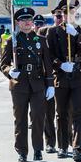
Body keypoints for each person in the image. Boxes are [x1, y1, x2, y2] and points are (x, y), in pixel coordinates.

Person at [0, 7, 55, 162]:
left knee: (38, 117)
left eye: (29, 20)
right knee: (20, 120)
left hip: (38, 84)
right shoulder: (12, 41)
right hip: (19, 85)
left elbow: (48, 64)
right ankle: (22, 152)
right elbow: (3, 64)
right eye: (24, 20)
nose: (27, 23)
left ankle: (38, 149)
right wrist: (10, 71)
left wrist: (50, 84)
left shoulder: (41, 40)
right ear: (17, 22)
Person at [46, 0, 81, 162]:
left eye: (72, 12)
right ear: (62, 14)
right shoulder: (52, 32)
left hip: (79, 75)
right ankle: (62, 146)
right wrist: (59, 64)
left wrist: (77, 35)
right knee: (61, 113)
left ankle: (77, 148)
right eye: (65, 13)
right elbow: (49, 55)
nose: (68, 16)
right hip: (62, 75)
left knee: (78, 113)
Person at [34, 15, 57, 154]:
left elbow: (49, 61)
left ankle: (53, 142)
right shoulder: (26, 39)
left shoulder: (45, 39)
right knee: (39, 115)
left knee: (50, 114)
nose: (38, 27)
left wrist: (50, 83)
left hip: (48, 80)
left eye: (40, 24)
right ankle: (46, 143)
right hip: (34, 83)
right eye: (36, 24)